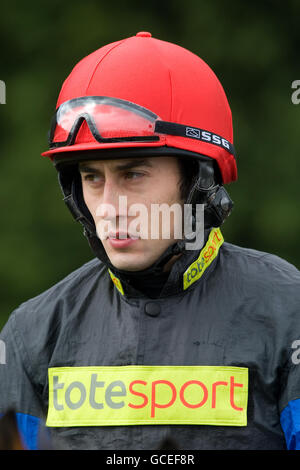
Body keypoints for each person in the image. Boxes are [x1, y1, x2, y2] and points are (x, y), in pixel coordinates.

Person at [0, 32, 299, 451]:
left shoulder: (289, 313)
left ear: (199, 181)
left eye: (133, 175)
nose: (108, 208)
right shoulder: (30, 334)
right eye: (92, 178)